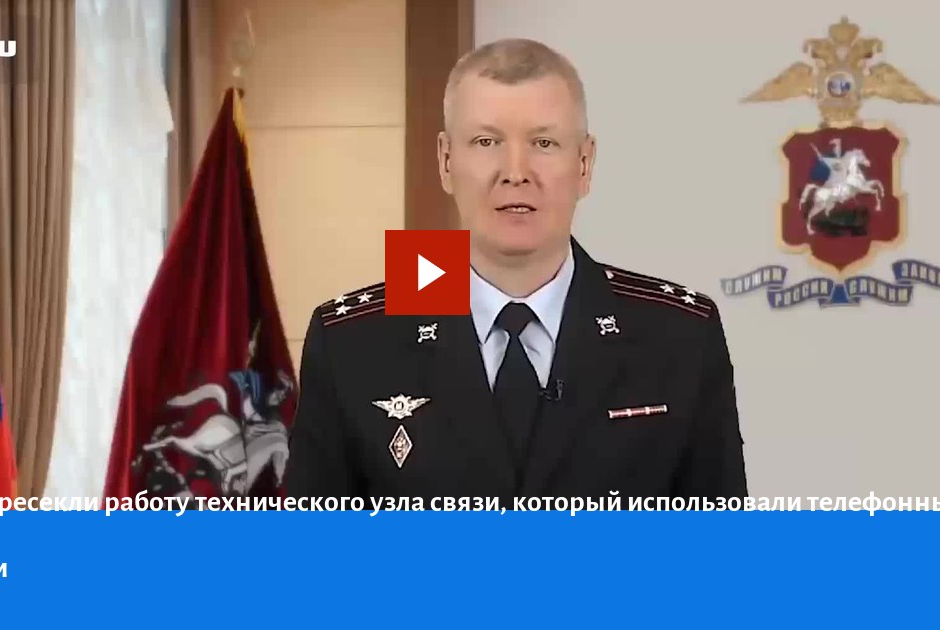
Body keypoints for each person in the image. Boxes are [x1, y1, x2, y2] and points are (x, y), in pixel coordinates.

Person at [285, 38, 746, 506]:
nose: (515, 172)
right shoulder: (350, 337)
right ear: (446, 161)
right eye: (486, 142)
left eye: (544, 143)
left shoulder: (681, 333)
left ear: (584, 164)